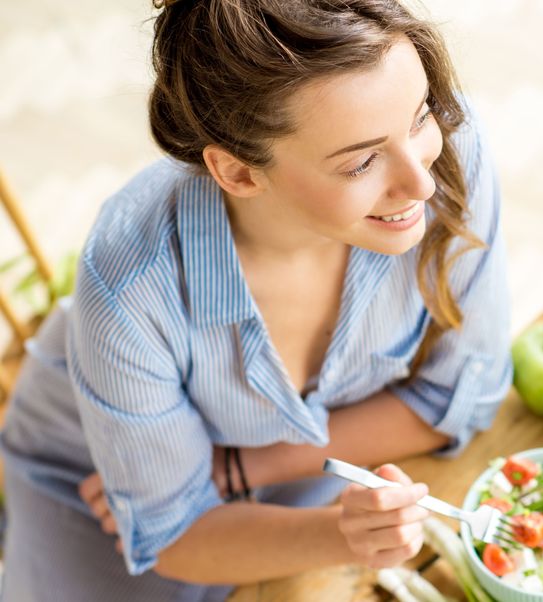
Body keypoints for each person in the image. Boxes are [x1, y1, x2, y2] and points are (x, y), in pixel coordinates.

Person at [0, 0, 512, 599]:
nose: (421, 182)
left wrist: (246, 467)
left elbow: (463, 394)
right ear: (239, 174)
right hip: (94, 479)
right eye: (362, 161)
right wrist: (343, 534)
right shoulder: (127, 286)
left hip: (286, 468)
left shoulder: (445, 153)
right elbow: (176, 531)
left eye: (419, 114)